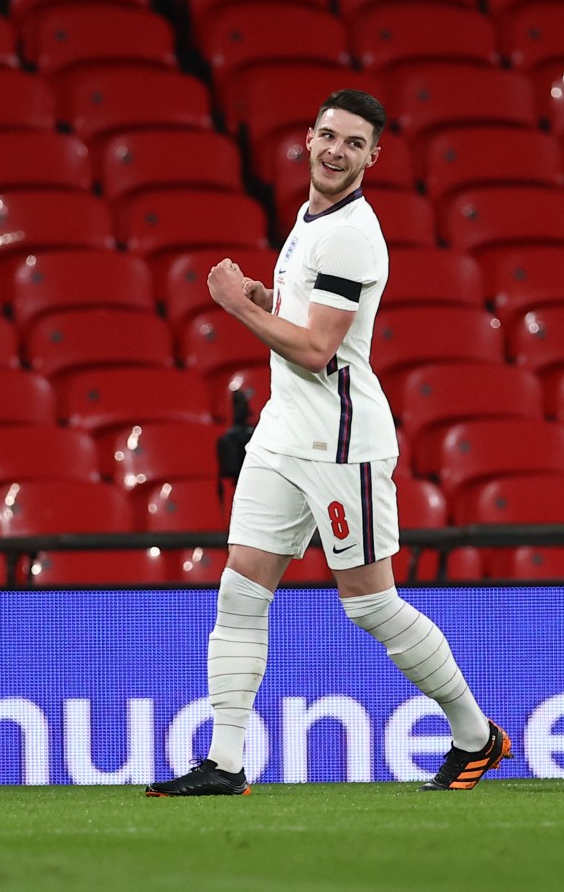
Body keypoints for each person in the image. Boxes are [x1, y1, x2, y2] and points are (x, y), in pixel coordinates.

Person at [145, 89, 511, 797]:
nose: (335, 151)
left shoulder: (350, 232)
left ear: (372, 157)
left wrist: (235, 307)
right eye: (326, 136)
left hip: (341, 440)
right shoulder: (311, 218)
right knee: (241, 588)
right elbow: (306, 329)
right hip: (284, 432)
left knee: (369, 603)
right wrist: (264, 301)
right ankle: (223, 762)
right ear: (305, 140)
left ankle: (475, 734)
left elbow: (317, 351)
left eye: (351, 143)